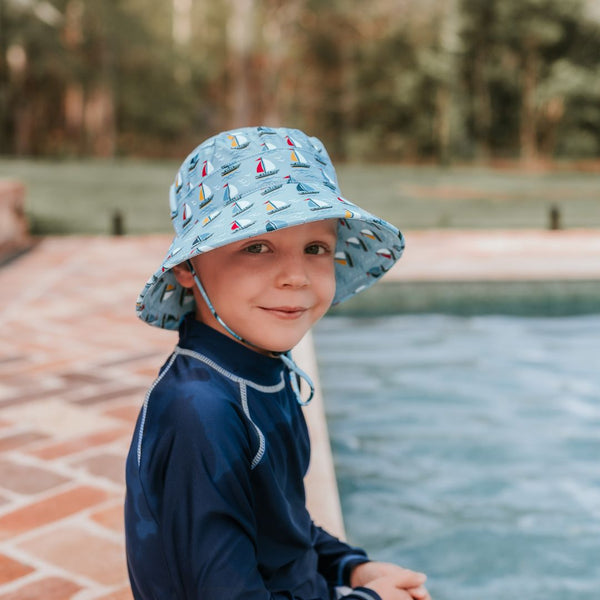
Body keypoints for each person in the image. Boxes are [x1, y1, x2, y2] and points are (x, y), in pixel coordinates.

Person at [125, 126, 431, 600]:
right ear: (187, 268)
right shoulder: (198, 413)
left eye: (315, 249)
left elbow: (279, 526)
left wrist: (351, 569)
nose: (294, 276)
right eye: (256, 246)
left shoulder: (262, 369)